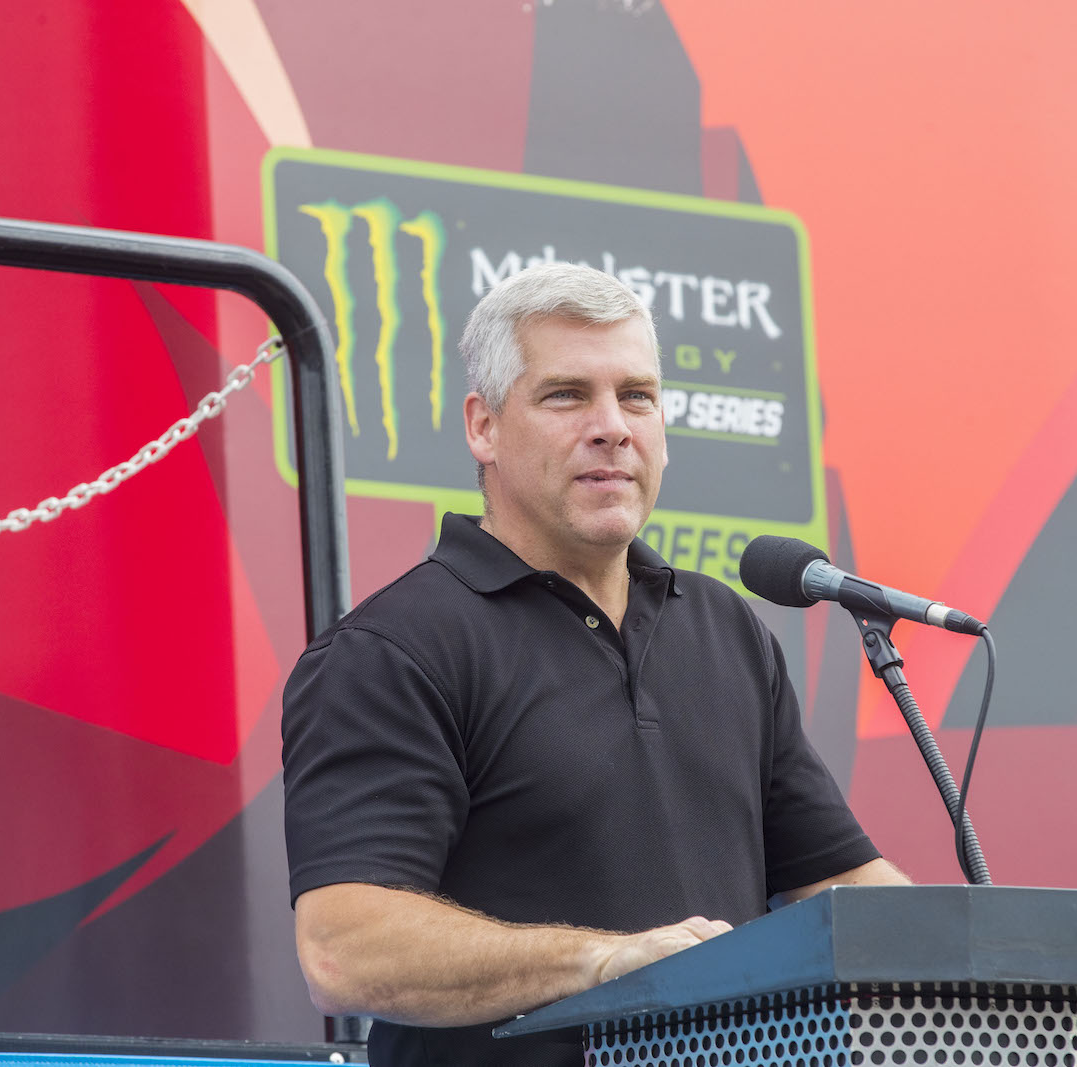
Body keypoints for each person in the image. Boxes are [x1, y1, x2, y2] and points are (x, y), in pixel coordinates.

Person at [280, 262, 909, 1066]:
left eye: (637, 395)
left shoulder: (726, 629)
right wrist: (603, 961)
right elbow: (345, 946)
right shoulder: (394, 650)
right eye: (567, 395)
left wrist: (980, 954)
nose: (613, 426)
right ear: (483, 426)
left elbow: (840, 885)